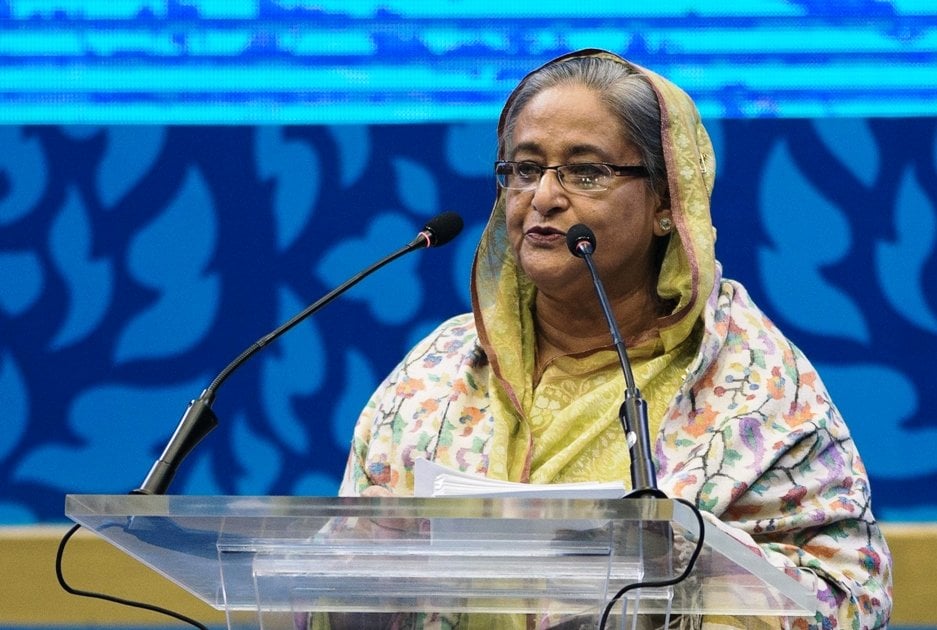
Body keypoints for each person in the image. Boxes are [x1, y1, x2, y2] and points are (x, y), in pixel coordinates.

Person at [337, 49, 893, 629]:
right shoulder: (434, 375)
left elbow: (849, 599)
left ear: (665, 200)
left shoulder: (753, 382)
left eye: (585, 171)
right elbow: (319, 596)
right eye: (525, 169)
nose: (543, 197)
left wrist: (688, 561)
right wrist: (362, 565)